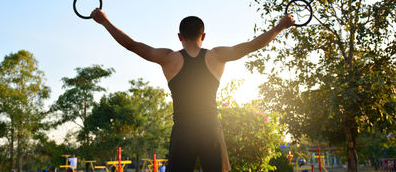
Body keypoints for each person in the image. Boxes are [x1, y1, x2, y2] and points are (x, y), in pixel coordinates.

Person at [91, 9, 294, 172]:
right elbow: (251, 46)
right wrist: (280, 26)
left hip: (183, 131)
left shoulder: (168, 58)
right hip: (210, 129)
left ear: (179, 36)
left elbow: (132, 46)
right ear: (203, 35)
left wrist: (104, 21)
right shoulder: (217, 56)